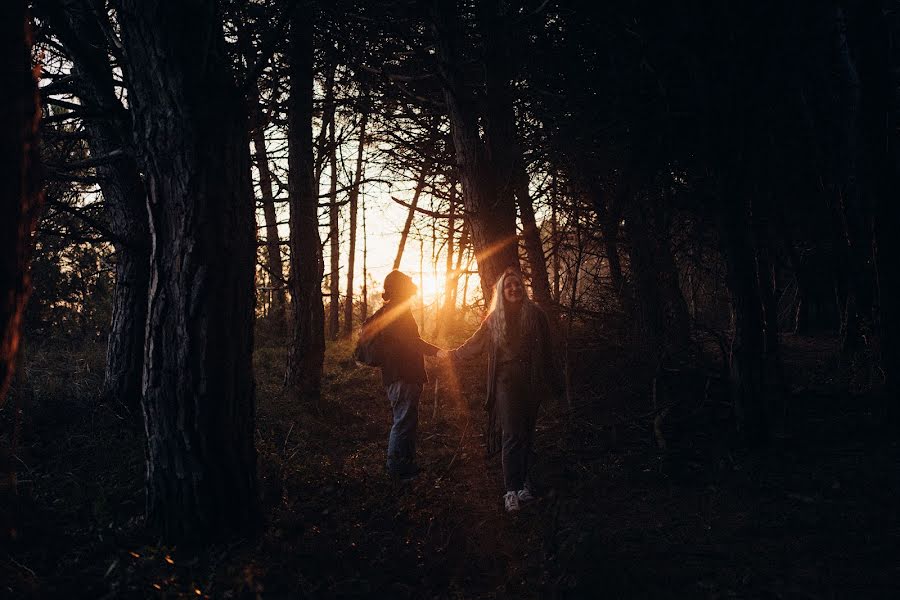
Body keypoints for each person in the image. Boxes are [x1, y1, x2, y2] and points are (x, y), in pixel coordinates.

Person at [437, 268, 561, 513]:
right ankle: (511, 491)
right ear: (502, 292)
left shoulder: (536, 315)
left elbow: (548, 353)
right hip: (505, 383)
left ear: (522, 288)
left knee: (527, 434)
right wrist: (451, 356)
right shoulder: (494, 319)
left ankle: (526, 484)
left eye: (517, 285)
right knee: (512, 434)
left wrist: (556, 384)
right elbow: (475, 344)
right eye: (508, 286)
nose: (513, 289)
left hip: (532, 383)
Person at [359, 270, 440, 480]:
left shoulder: (388, 311)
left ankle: (406, 465)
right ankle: (397, 469)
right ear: (401, 289)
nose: (412, 292)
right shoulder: (397, 312)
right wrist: (437, 352)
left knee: (407, 420)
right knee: (404, 421)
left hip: (398, 376)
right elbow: (412, 341)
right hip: (403, 375)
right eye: (408, 287)